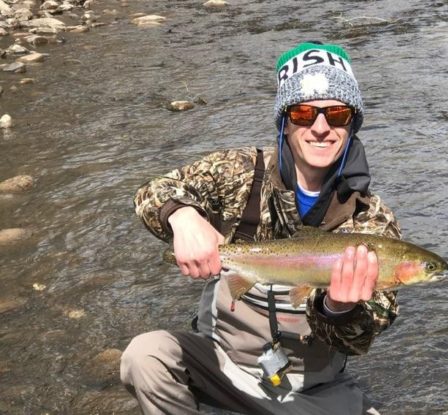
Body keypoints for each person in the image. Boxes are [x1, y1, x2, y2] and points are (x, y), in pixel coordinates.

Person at [121, 41, 402, 415]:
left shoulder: (370, 218)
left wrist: (339, 309)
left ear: (351, 125)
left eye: (336, 114)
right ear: (285, 124)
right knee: (146, 356)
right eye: (304, 113)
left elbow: (364, 337)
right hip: (222, 372)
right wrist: (182, 216)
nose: (321, 127)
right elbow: (152, 191)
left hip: (312, 392)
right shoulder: (238, 172)